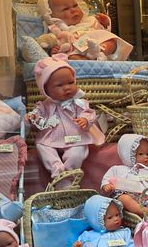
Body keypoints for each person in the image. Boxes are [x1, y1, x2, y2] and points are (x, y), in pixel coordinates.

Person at [26, 55, 105, 185]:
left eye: (70, 82)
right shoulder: (44, 105)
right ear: (46, 89)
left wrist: (85, 120)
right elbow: (36, 118)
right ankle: (57, 170)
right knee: (42, 146)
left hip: (75, 137)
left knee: (77, 153)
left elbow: (88, 112)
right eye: (59, 85)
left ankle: (68, 177)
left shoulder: (78, 103)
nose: (67, 87)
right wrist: (32, 118)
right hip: (51, 138)